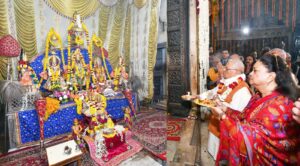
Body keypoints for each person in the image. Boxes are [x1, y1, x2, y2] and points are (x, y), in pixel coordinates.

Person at [212, 52, 300, 165]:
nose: (250, 74)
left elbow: (249, 138)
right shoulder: (258, 96)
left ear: (270, 77)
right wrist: (225, 109)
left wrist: (222, 116)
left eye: (255, 71)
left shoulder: (279, 106)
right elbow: (244, 117)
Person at [198, 58, 252, 160]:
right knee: (213, 154)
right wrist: (198, 97)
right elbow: (212, 93)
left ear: (235, 72)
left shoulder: (243, 90)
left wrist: (217, 104)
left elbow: (236, 115)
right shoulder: (225, 82)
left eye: (226, 68)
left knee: (223, 159)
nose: (223, 70)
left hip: (226, 134)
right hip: (215, 127)